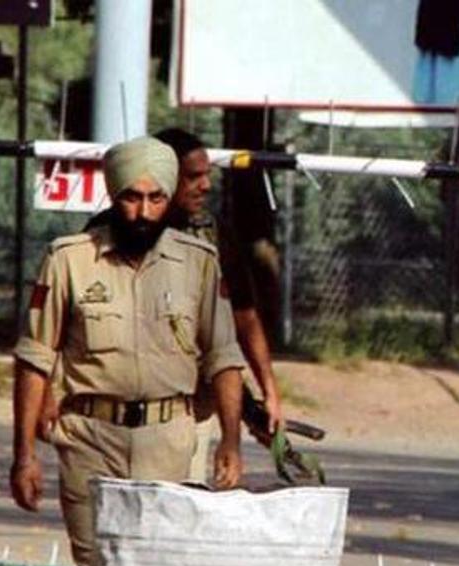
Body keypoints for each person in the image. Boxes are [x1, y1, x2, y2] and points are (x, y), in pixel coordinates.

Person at [9, 136, 247, 566]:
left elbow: (223, 357)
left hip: (171, 441)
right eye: (132, 197)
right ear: (114, 195)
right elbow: (35, 357)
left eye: (155, 198)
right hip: (92, 441)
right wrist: (22, 455)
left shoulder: (198, 263)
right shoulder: (70, 259)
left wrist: (234, 444)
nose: (143, 210)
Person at [39, 127, 283, 479]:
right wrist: (47, 394)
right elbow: (53, 330)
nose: (205, 186)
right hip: (101, 423)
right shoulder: (101, 237)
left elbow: (241, 321)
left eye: (207, 175)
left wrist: (267, 393)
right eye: (194, 177)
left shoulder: (209, 240)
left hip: (181, 414)